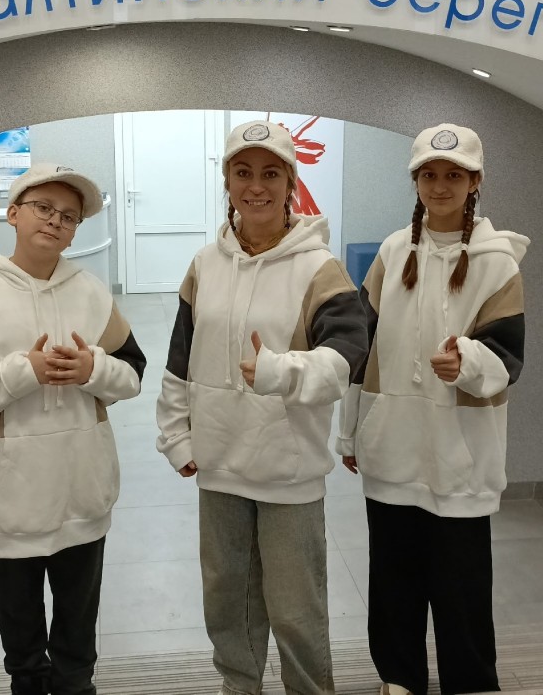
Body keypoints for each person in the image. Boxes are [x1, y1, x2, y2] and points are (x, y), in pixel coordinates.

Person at [156, 120, 369, 695]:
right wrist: (176, 435)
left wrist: (281, 372)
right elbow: (179, 360)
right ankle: (239, 686)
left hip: (288, 470)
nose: (256, 186)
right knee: (227, 600)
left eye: (271, 173)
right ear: (227, 181)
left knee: (296, 609)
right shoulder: (205, 264)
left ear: (291, 184)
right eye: (243, 172)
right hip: (218, 465)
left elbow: (346, 360)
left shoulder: (320, 268)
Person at [0, 163, 146, 695]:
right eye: (43, 208)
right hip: (11, 498)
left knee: (78, 618)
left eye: (68, 216)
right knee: (19, 618)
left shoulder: (92, 293)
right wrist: (22, 371)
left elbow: (132, 375)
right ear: (13, 214)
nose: (55, 221)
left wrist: (93, 369)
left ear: (76, 231)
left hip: (82, 490)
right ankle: (27, 683)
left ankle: (76, 685)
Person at [337, 124, 528, 695]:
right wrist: (350, 433)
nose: (440, 186)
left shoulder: (497, 263)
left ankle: (470, 683)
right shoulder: (393, 252)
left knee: (461, 587)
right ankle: (399, 678)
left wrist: (467, 361)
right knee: (392, 579)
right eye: (429, 175)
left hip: (459, 455)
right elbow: (362, 350)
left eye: (453, 175)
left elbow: (508, 357)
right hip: (391, 446)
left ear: (475, 182)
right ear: (416, 181)